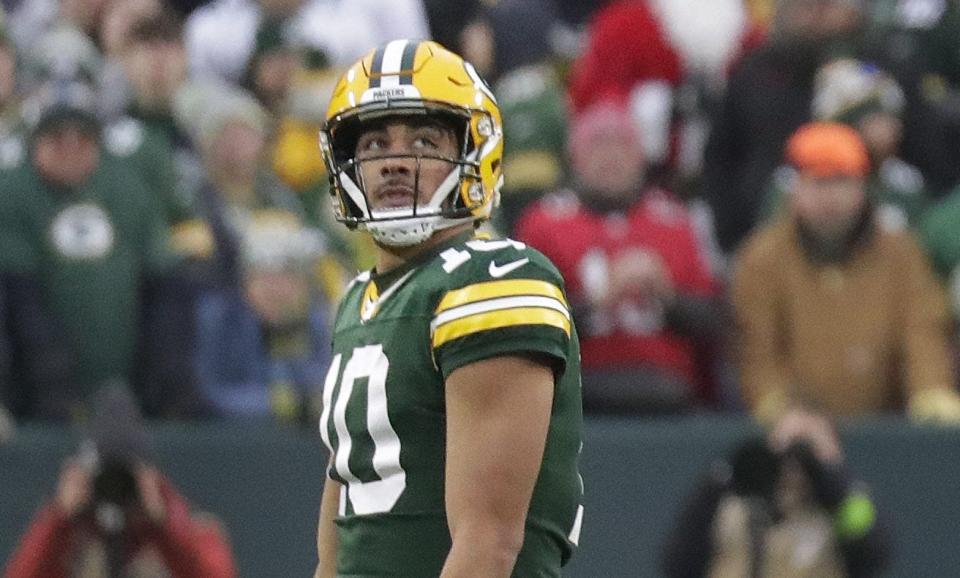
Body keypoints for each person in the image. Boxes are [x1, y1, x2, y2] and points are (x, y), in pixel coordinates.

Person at [313, 39, 584, 577]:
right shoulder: (358, 301)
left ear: (475, 153)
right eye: (372, 144)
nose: (394, 162)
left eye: (424, 140)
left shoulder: (493, 280)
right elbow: (339, 549)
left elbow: (488, 544)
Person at [732, 121, 960, 422]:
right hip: (796, 434)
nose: (831, 197)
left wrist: (931, 393)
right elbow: (757, 351)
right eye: (818, 182)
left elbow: (923, 332)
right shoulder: (763, 258)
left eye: (842, 181)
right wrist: (777, 406)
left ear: (863, 188)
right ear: (796, 188)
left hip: (885, 429)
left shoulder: (901, 254)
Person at [515, 99, 723, 413]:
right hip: (578, 390)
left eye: (623, 145)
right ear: (575, 156)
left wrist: (667, 297)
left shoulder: (675, 222)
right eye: (598, 144)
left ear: (641, 156)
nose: (611, 157)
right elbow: (526, 331)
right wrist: (598, 299)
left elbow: (714, 323)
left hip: (669, 390)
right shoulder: (543, 223)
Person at [3, 385, 237, 578]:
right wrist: (59, 521)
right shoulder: (70, 533)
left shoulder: (185, 526)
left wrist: (162, 526)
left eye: (126, 475)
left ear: (149, 475)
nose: (116, 485)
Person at [662, 406, 890, 577]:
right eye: (787, 442)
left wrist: (831, 477)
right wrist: (719, 482)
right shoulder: (729, 500)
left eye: (807, 445)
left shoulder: (849, 501)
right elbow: (678, 565)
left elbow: (871, 556)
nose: (796, 458)